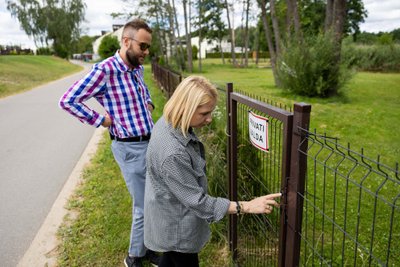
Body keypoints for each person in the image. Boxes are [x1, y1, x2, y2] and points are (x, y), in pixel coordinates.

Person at [144, 75, 281, 267]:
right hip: (177, 229)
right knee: (180, 259)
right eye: (204, 113)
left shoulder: (168, 123)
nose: (209, 119)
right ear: (185, 108)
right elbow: (198, 202)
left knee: (171, 260)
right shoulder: (173, 153)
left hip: (169, 217)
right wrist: (247, 206)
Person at [59, 19, 160, 267]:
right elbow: (68, 100)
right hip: (129, 148)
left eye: (148, 48)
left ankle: (146, 248)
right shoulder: (104, 70)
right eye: (143, 47)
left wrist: (148, 103)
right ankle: (134, 256)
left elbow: (143, 90)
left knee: (154, 199)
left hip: (150, 142)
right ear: (127, 41)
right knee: (143, 205)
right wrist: (100, 120)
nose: (146, 53)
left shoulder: (137, 68)